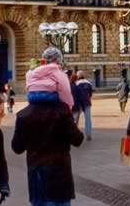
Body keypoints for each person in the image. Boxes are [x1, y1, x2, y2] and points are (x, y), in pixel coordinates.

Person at [11, 78, 84, 206]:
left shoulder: (24, 115)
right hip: (60, 171)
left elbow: (17, 147)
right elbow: (78, 140)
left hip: (38, 174)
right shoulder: (63, 110)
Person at [72, 72, 93, 141]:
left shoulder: (77, 83)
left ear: (78, 76)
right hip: (87, 103)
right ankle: (88, 134)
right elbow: (90, 93)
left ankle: (74, 134)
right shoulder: (88, 83)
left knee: (75, 119)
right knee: (88, 119)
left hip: (79, 103)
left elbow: (75, 94)